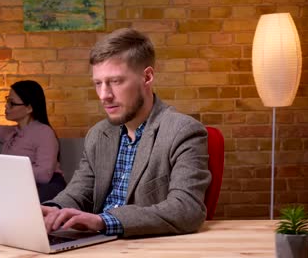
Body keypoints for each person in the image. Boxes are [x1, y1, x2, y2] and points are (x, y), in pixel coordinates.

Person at [42, 28, 211, 238]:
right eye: (98, 83)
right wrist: (53, 210)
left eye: (115, 81)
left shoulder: (183, 131)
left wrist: (103, 221)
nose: (104, 95)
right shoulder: (98, 134)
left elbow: (186, 209)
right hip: (94, 245)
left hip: (143, 246)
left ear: (147, 77)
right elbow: (79, 191)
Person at [0, 80, 66, 202]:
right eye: (7, 100)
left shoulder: (44, 132)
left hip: (46, 187)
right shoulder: (11, 132)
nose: (6, 106)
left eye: (12, 103)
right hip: (19, 184)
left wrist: (8, 169)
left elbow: (44, 175)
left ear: (29, 108)